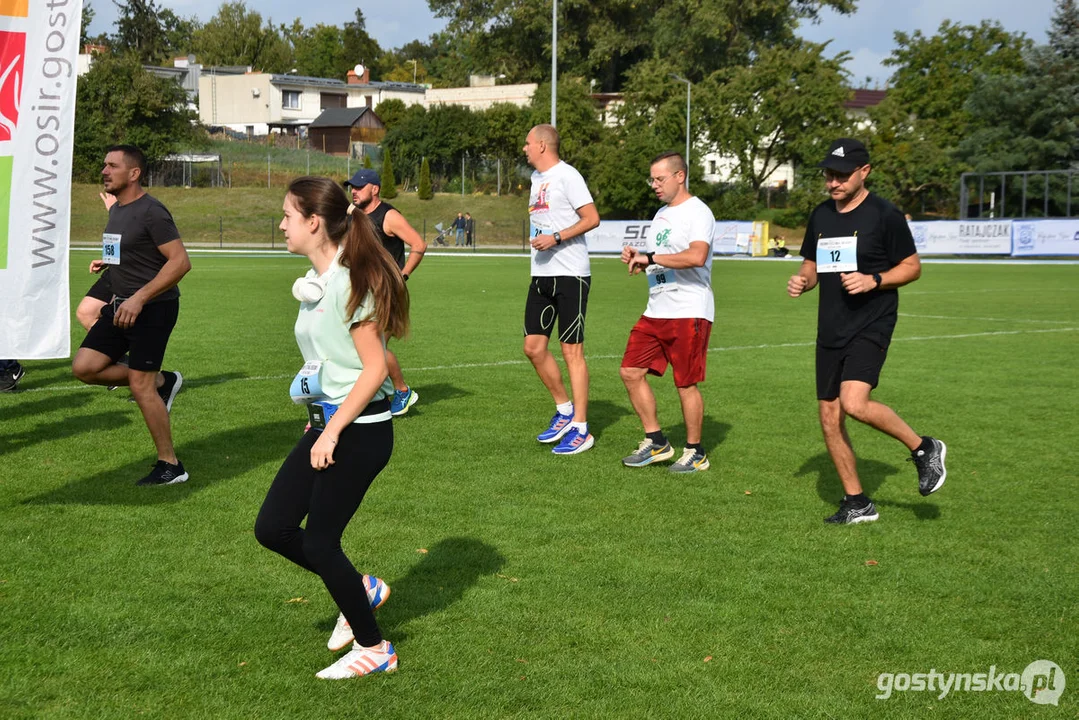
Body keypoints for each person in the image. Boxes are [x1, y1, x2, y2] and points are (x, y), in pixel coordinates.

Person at [254, 176, 408, 680]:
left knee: (320, 542)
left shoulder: (350, 281)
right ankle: (361, 588)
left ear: (313, 222)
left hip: (360, 430)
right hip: (328, 425)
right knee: (272, 528)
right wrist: (318, 420)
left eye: (287, 216)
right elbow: (329, 365)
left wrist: (333, 430)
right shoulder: (318, 281)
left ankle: (376, 647)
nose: (281, 224)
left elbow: (375, 368)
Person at [787, 138, 947, 525]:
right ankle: (857, 502)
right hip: (830, 326)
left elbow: (912, 267)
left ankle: (924, 447)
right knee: (829, 415)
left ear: (864, 172)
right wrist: (803, 281)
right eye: (829, 174)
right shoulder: (822, 215)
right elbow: (812, 263)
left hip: (871, 322)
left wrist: (874, 279)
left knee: (854, 403)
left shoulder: (884, 214)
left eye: (841, 175)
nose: (833, 182)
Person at [71, 145, 191, 486]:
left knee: (139, 386)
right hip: (120, 304)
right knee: (85, 367)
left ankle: (171, 466)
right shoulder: (117, 210)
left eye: (112, 166)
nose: (104, 171)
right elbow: (123, 248)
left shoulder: (152, 211)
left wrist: (138, 299)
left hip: (153, 307)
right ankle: (162, 381)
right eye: (104, 165)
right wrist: (106, 261)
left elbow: (180, 262)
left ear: (134, 173)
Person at [619, 151, 716, 473]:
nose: (654, 185)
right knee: (631, 371)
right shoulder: (661, 214)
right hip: (657, 309)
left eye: (660, 179)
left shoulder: (698, 212)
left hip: (689, 309)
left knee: (685, 383)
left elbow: (697, 256)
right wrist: (639, 257)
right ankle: (657, 442)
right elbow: (658, 256)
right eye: (652, 179)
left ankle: (696, 451)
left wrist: (651, 258)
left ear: (680, 176)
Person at [522, 123, 601, 455]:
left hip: (571, 275)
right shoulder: (535, 180)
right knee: (534, 348)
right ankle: (565, 410)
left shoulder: (569, 176)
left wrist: (555, 238)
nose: (523, 148)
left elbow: (592, 218)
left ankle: (582, 428)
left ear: (542, 145)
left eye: (527, 143)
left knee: (573, 353)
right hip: (541, 274)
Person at [344, 168, 426, 416]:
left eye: (359, 187)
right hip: (363, 291)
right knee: (362, 346)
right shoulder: (355, 215)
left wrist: (402, 276)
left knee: (375, 346)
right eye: (352, 187)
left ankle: (402, 392)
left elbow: (419, 245)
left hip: (387, 292)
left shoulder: (388, 216)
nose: (354, 191)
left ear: (375, 189)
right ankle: (377, 393)